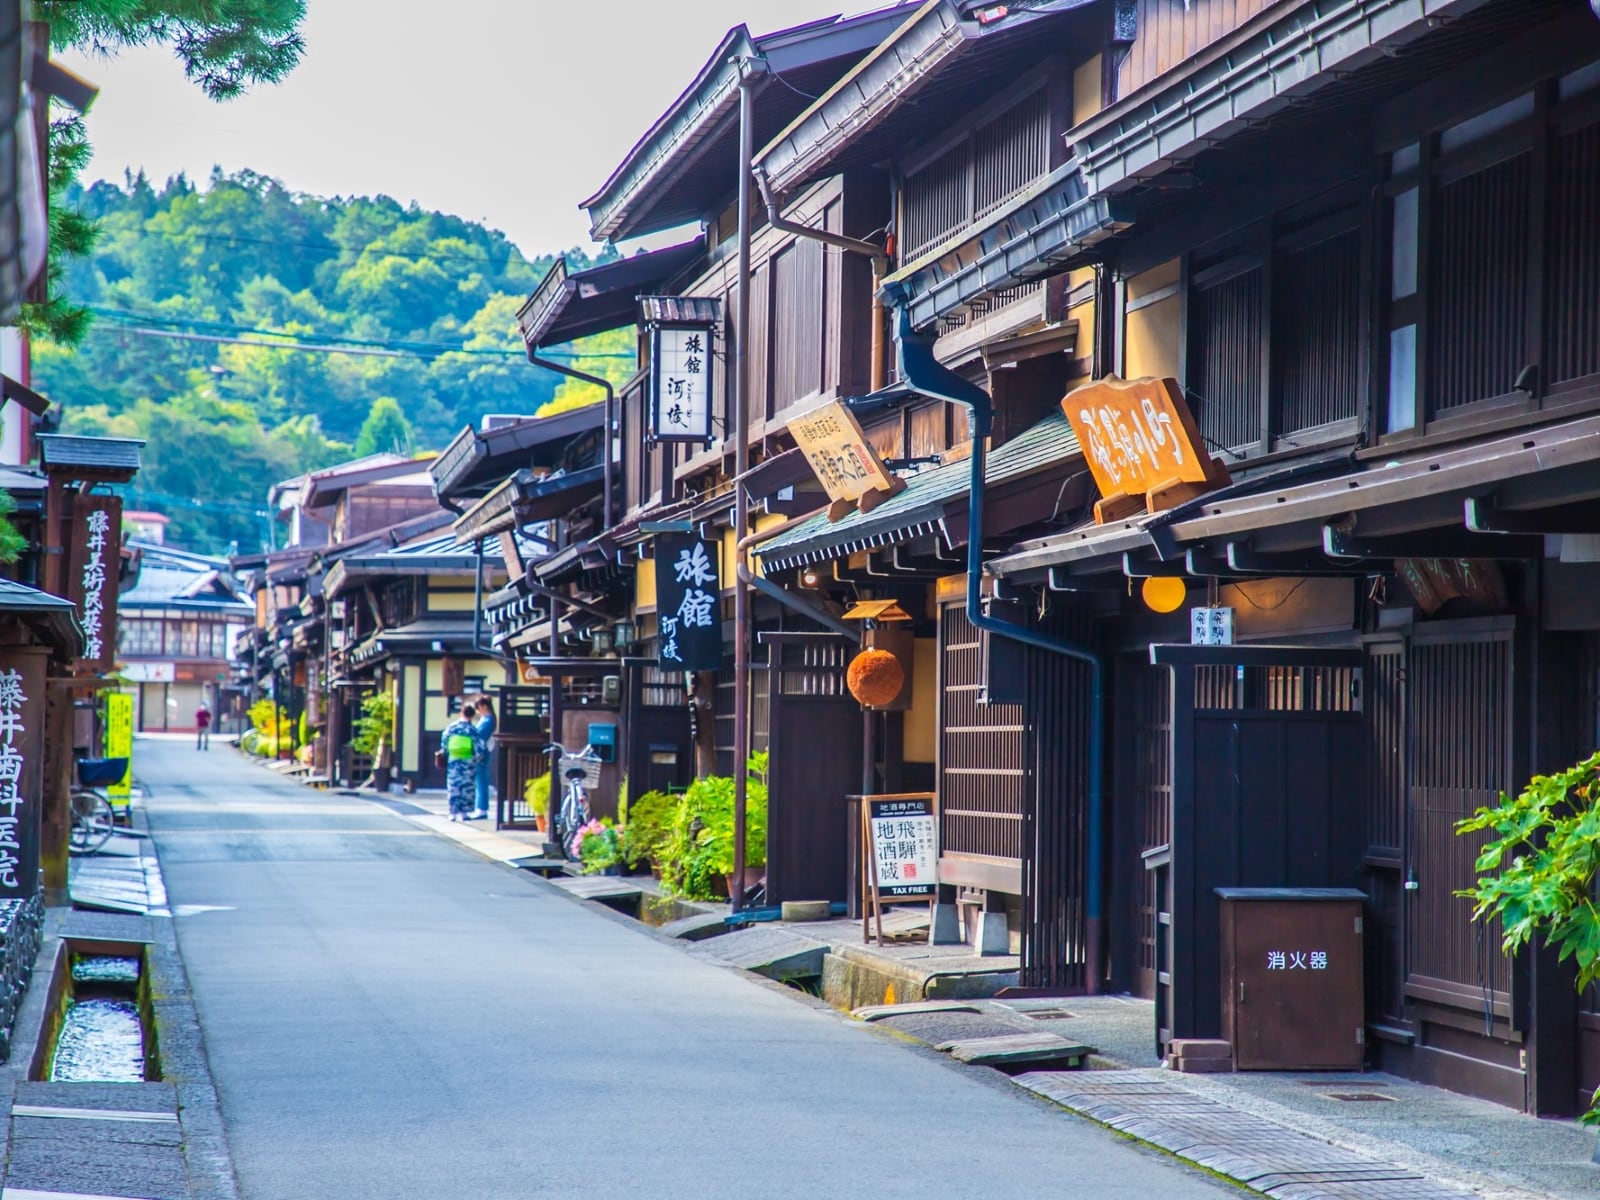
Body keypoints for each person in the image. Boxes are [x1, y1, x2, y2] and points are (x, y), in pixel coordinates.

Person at [441, 701, 485, 822]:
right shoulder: (472, 730)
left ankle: (452, 812)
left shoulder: (451, 728)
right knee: (467, 787)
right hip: (468, 762)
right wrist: (478, 758)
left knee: (453, 786)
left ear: (461, 713)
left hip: (454, 760)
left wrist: (445, 753)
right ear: (472, 715)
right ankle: (464, 813)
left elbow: (444, 742)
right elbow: (479, 747)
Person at [472, 694, 496, 821]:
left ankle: (481, 808)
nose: (478, 710)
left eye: (478, 707)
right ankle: (480, 807)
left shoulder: (488, 720)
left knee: (481, 781)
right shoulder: (486, 719)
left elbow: (480, 737)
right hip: (480, 751)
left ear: (483, 706)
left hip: (481, 752)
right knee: (480, 780)